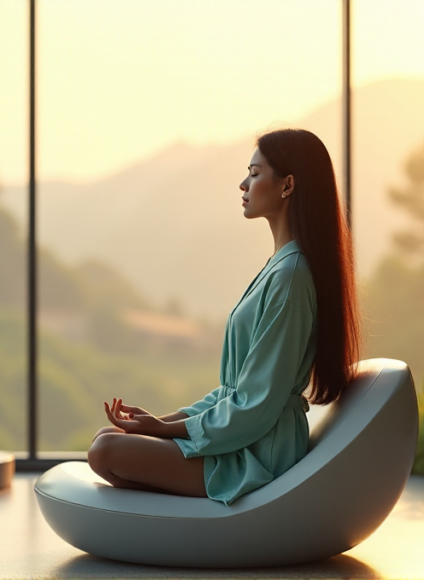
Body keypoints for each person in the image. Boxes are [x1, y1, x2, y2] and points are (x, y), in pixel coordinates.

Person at [86, 128, 361, 505]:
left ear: (287, 185)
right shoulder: (281, 267)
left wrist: (166, 432)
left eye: (254, 172)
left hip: (260, 451)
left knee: (106, 452)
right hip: (243, 433)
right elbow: (233, 392)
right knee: (107, 441)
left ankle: (202, 525)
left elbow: (255, 404)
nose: (243, 183)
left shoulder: (292, 276)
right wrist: (161, 424)